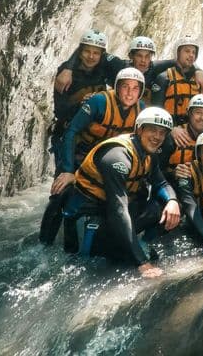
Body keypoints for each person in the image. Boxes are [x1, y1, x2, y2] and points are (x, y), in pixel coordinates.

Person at [61, 107, 181, 278]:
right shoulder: (117, 156)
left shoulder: (148, 155)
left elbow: (161, 182)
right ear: (139, 129)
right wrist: (142, 263)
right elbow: (118, 209)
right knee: (133, 260)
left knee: (161, 206)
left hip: (111, 216)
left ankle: (135, 245)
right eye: (153, 130)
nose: (157, 137)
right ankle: (128, 251)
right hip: (88, 220)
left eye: (162, 133)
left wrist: (172, 201)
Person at [40, 67, 146, 250]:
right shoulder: (99, 101)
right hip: (80, 156)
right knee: (60, 193)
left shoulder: (141, 111)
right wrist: (67, 170)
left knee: (138, 194)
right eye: (125, 87)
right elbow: (71, 132)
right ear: (117, 87)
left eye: (135, 88)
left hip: (108, 161)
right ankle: (44, 244)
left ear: (140, 91)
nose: (129, 93)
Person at [54, 35, 175, 105]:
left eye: (147, 56)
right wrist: (68, 68)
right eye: (139, 55)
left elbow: (180, 61)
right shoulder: (119, 66)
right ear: (131, 56)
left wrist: (195, 71)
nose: (143, 61)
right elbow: (92, 48)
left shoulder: (155, 68)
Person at [50, 30, 110, 161]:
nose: (91, 57)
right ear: (80, 52)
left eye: (96, 53)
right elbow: (61, 110)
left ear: (101, 55)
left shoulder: (103, 69)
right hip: (68, 130)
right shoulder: (66, 74)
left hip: (93, 134)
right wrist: (83, 104)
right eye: (87, 51)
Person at [151, 35, 203, 126]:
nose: (191, 55)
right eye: (187, 51)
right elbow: (156, 111)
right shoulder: (164, 78)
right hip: (168, 128)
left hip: (193, 129)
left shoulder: (200, 79)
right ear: (177, 53)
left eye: (194, 52)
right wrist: (172, 130)